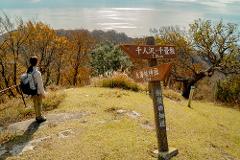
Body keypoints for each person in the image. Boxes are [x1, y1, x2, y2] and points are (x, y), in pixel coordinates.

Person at [28, 56, 47, 123]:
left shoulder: (29, 71)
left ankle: (37, 116)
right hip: (38, 92)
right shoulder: (37, 73)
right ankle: (40, 117)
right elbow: (40, 84)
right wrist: (43, 93)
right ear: (37, 62)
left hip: (32, 91)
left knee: (35, 104)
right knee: (39, 104)